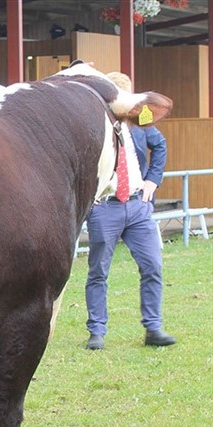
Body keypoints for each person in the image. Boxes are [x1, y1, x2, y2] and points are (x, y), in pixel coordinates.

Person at [85, 71, 175, 350]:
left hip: (138, 205)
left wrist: (152, 180)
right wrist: (89, 193)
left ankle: (153, 328)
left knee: (152, 266)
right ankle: (97, 331)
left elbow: (159, 146)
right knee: (98, 270)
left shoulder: (141, 121)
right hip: (105, 207)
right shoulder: (94, 124)